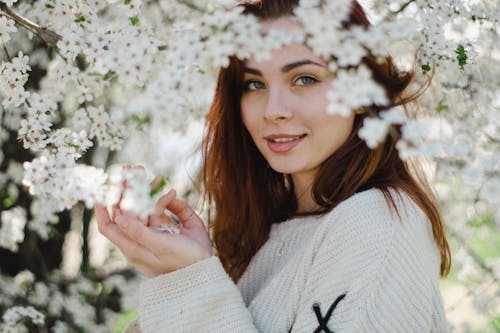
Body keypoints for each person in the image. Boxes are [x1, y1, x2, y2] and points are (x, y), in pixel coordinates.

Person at [94, 0, 451, 332]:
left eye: (305, 78)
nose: (272, 109)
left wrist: (191, 278)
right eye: (254, 84)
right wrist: (173, 273)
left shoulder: (376, 220)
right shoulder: (266, 236)